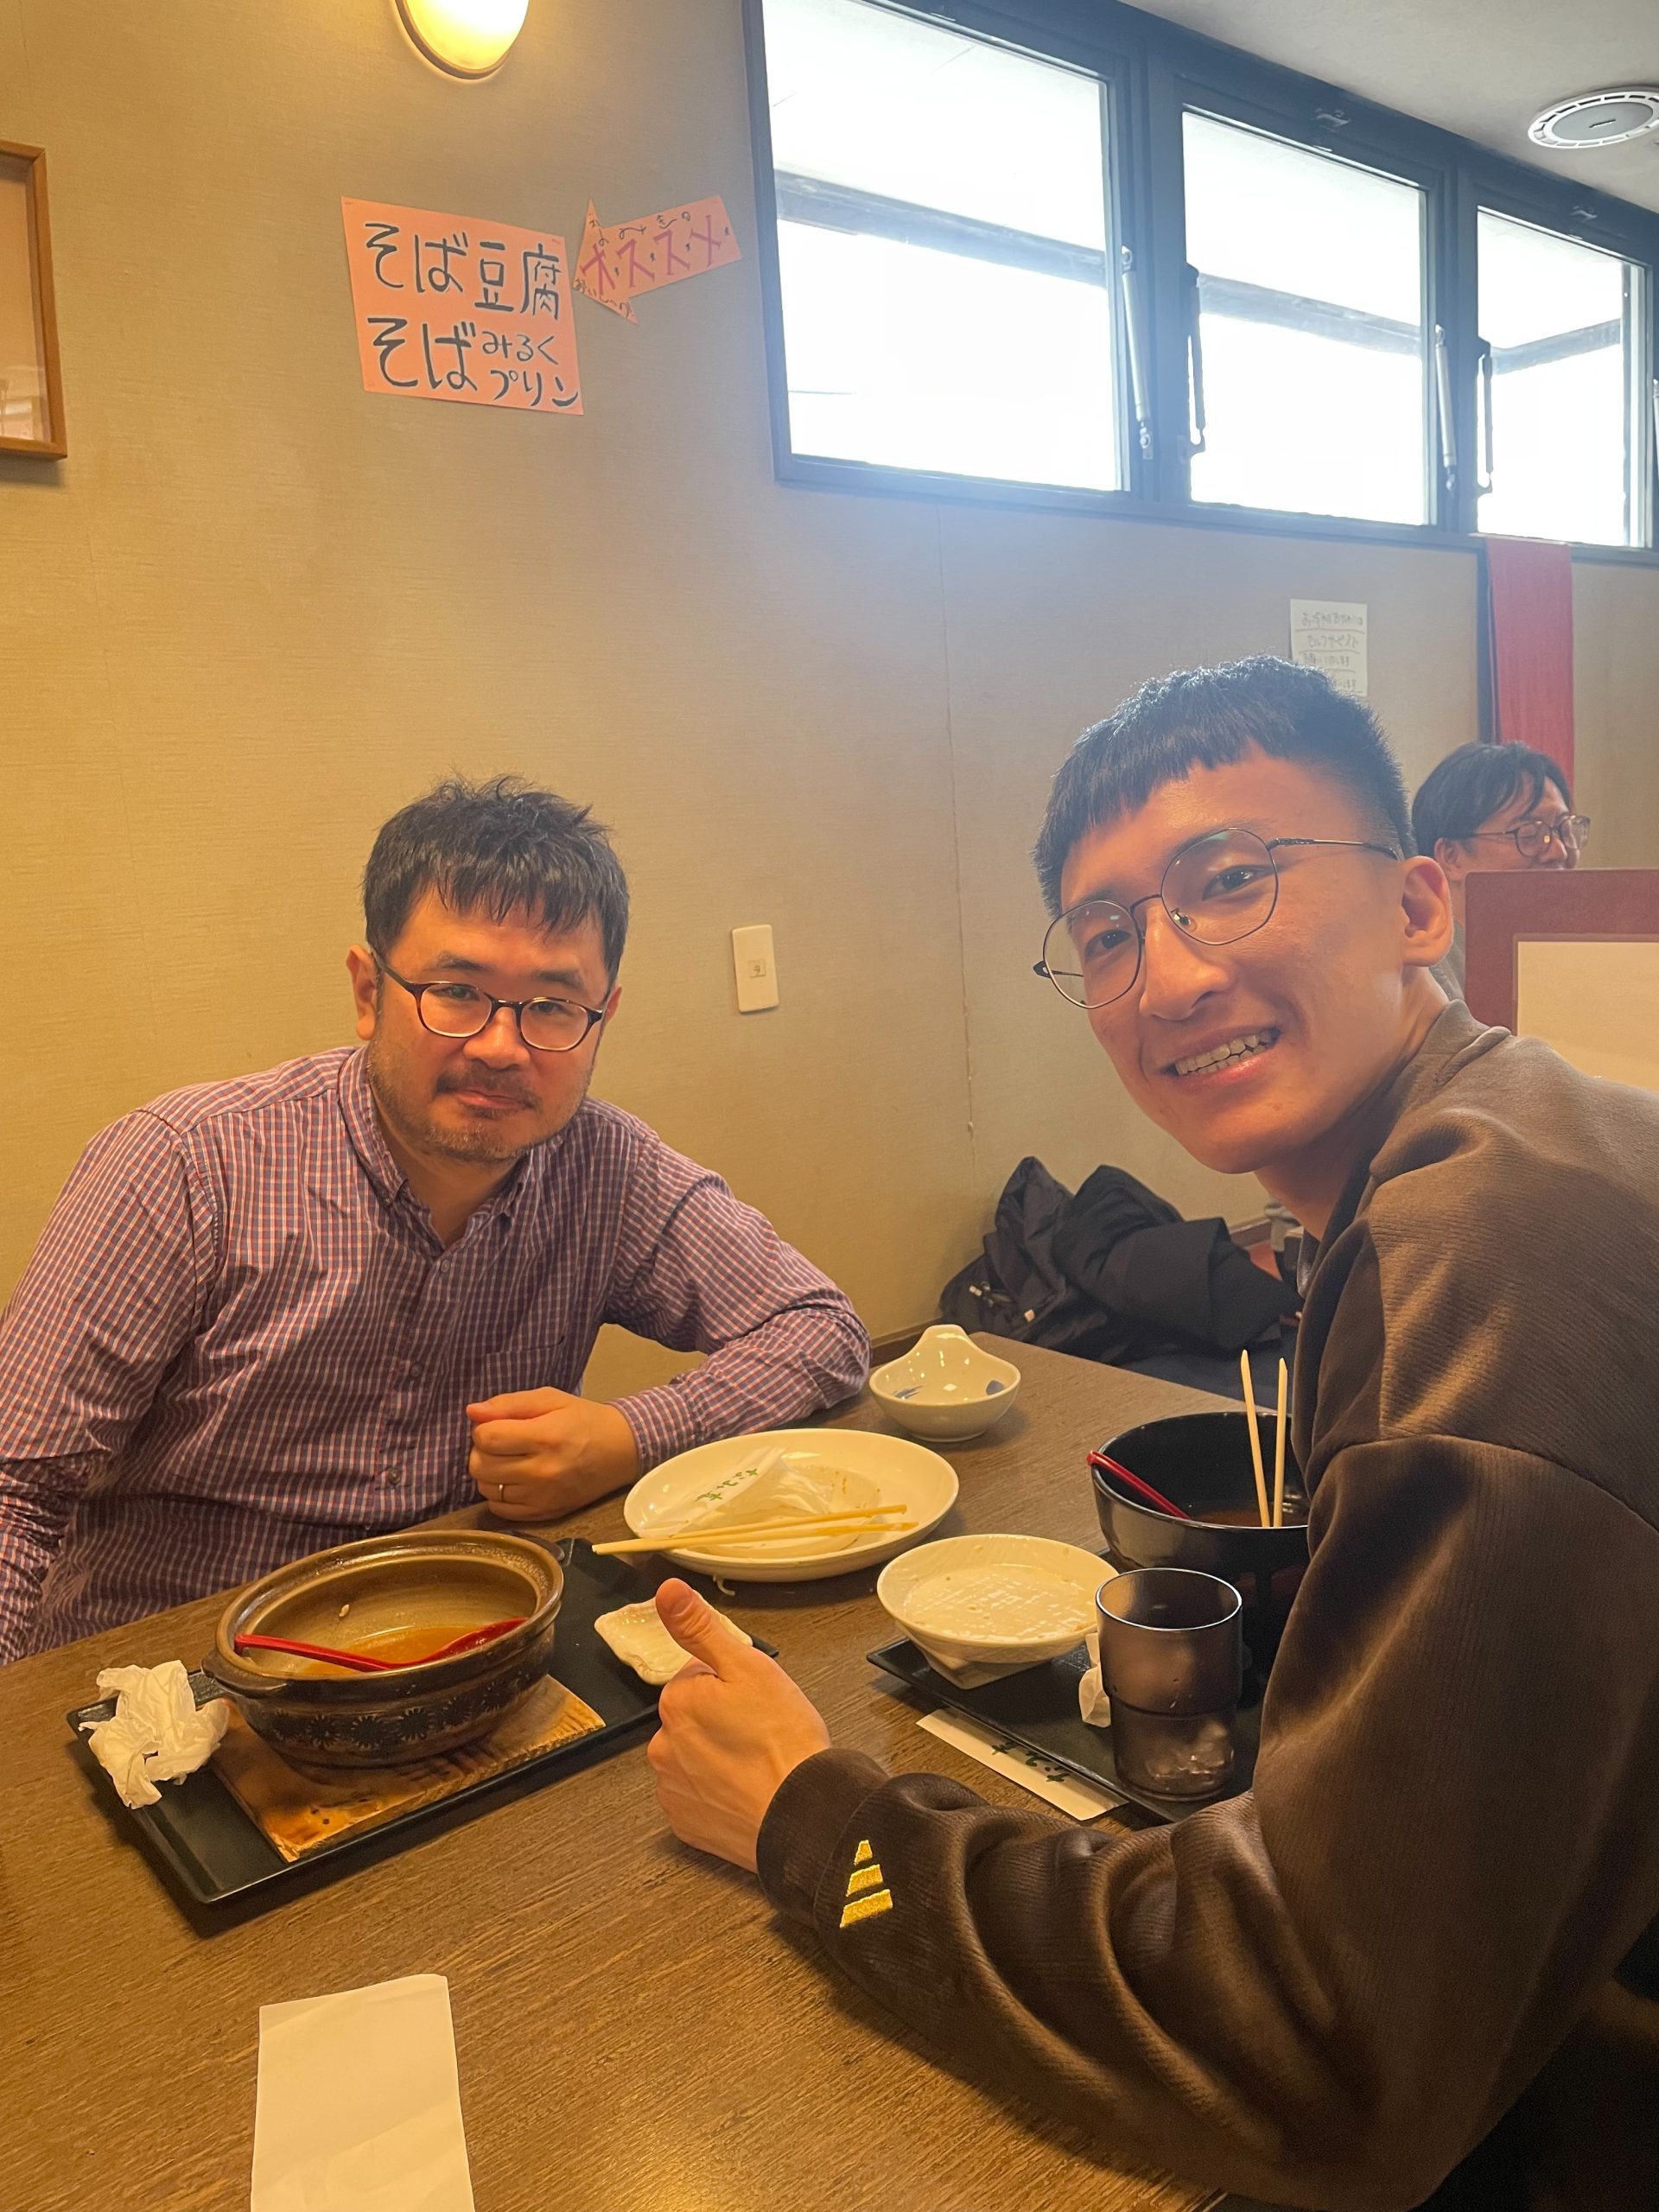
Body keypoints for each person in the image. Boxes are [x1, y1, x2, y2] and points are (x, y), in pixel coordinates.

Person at [647, 660, 1659, 2211]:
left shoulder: (1478, 1248)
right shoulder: (1529, 1131)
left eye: (1231, 881)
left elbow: (1319, 2051)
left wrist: (812, 1818)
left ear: (1417, 904)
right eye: (1109, 933)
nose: (1166, 977)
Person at [0, 777, 868, 1662]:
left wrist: (629, 1434)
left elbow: (820, 1328)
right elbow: (12, 1492)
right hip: (174, 1677)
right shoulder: (187, 1167)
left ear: (603, 1016)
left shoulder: (608, 1167)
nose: (502, 1046)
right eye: (457, 990)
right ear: (368, 990)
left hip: (475, 1649)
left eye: (552, 1006)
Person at [1410, 741, 1586, 995]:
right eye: (1529, 833)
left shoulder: (1576, 957)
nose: (1559, 851)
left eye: (1564, 829)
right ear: (1451, 857)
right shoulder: (1421, 982)